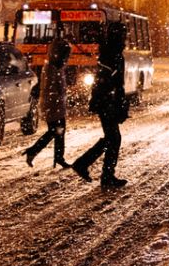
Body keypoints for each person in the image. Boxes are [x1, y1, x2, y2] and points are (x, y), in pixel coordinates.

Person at [71, 21, 129, 187]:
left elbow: (113, 82)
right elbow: (114, 83)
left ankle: (91, 167)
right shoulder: (113, 54)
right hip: (106, 102)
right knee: (114, 138)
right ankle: (101, 173)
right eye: (123, 34)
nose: (125, 38)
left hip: (105, 101)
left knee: (111, 138)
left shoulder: (110, 52)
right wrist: (118, 102)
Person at [24, 36, 71, 169]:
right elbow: (50, 89)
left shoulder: (55, 67)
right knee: (55, 131)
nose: (67, 58)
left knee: (58, 131)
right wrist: (58, 99)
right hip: (53, 105)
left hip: (56, 105)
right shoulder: (51, 68)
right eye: (66, 55)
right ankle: (34, 151)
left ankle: (58, 157)